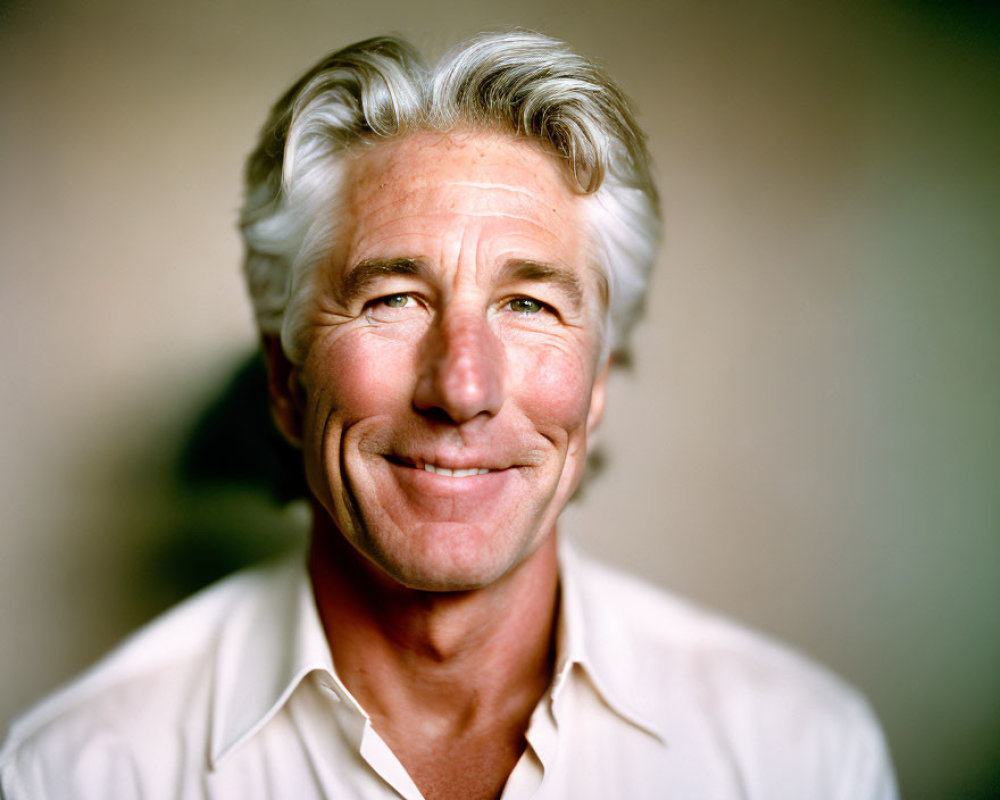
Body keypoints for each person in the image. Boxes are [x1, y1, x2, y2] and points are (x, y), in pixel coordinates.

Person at [0, 31, 898, 800]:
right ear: (285, 378)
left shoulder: (802, 752)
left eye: (530, 306)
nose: (461, 389)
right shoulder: (78, 770)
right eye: (393, 298)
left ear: (595, 383)